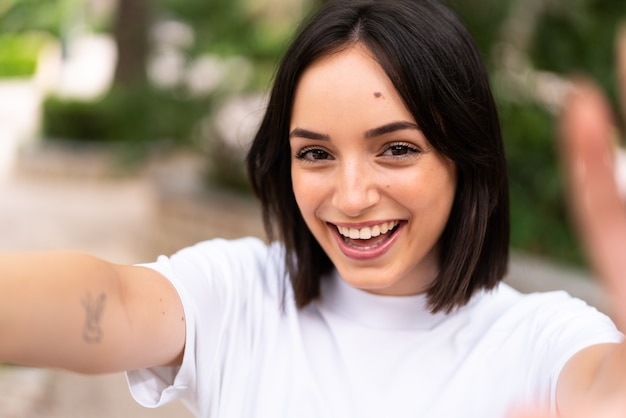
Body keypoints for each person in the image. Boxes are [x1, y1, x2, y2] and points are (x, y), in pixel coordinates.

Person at [1, 0, 624, 417]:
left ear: (465, 156)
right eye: (316, 154)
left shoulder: (543, 340)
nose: (351, 198)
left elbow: (604, 387)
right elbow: (110, 300)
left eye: (397, 149)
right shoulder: (239, 296)